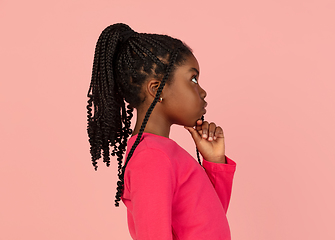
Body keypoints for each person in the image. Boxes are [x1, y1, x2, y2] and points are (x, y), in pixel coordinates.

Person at [86, 23, 236, 240]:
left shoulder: (162, 152)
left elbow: (208, 224)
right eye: (193, 79)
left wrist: (214, 161)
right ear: (157, 90)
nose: (202, 91)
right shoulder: (152, 157)